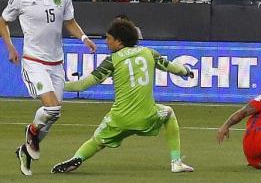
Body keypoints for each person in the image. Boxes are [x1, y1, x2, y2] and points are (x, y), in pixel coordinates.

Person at [51, 18, 195, 174]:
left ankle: (77, 158)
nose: (106, 42)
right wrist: (187, 71)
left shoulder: (112, 60)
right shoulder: (149, 53)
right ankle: (176, 162)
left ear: (119, 41)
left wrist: (56, 85)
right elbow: (174, 68)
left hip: (119, 119)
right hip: (148, 115)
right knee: (168, 113)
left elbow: (82, 85)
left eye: (108, 38)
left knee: (97, 141)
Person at [0, 0, 97, 176]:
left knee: (54, 114)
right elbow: (3, 21)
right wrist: (11, 47)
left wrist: (84, 38)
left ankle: (25, 149)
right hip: (34, 61)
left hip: (56, 63)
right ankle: (31, 131)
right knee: (52, 107)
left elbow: (70, 22)